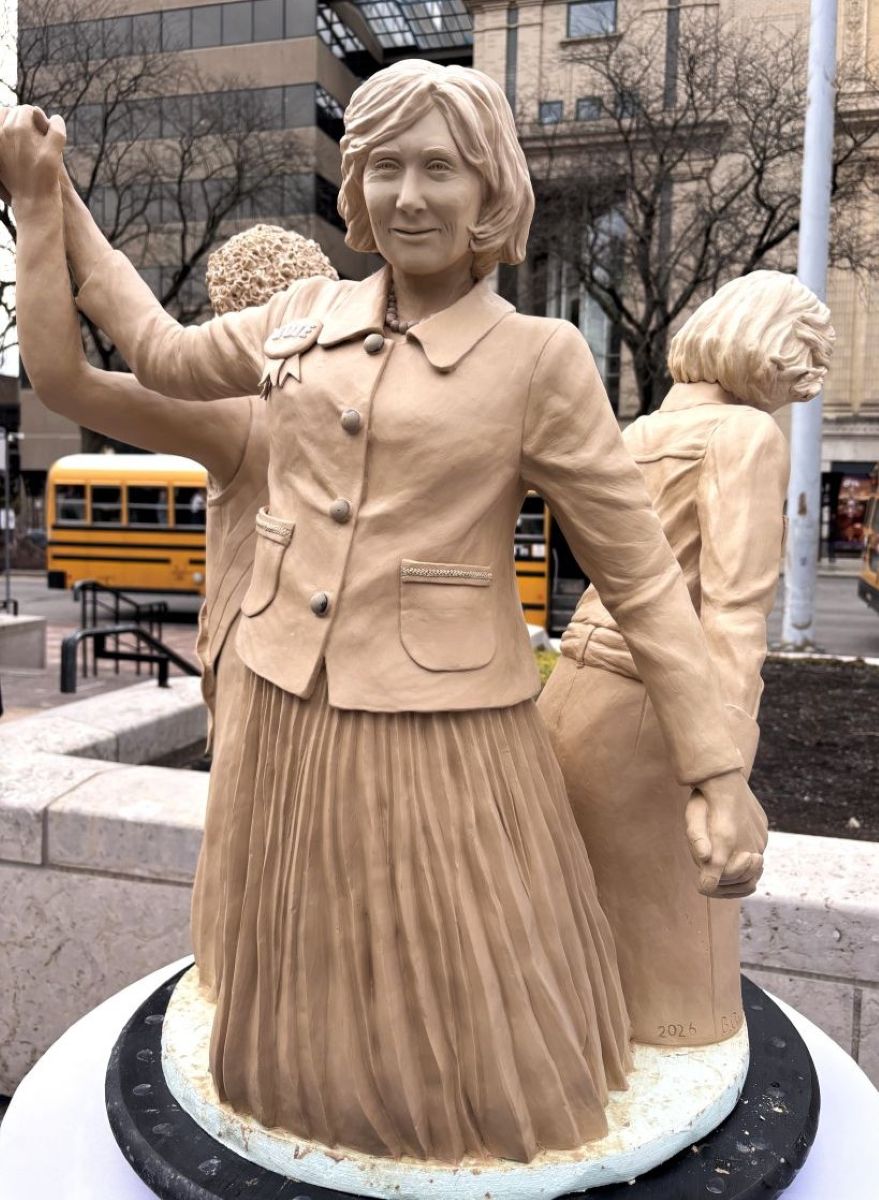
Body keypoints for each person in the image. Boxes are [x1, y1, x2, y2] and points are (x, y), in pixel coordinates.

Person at [0, 64, 766, 1165]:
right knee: (302, 966)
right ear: (354, 183)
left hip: (444, 727)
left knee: (471, 993)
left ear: (490, 189)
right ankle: (303, 1121)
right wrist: (45, 198)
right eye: (386, 166)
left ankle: (457, 1146)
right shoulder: (296, 319)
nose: (410, 196)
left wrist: (719, 773)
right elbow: (134, 351)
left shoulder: (539, 360)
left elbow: (641, 575)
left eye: (441, 169)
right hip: (283, 701)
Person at [9, 144, 338, 989]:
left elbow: (62, 378)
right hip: (346, 670)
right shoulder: (353, 401)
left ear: (232, 324)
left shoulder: (240, 417)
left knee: (249, 866)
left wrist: (39, 206)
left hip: (257, 662)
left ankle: (246, 1001)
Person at [540, 271, 834, 1046]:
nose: (803, 383)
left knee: (585, 905)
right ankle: (671, 1071)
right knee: (682, 952)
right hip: (648, 703)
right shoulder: (742, 436)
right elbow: (733, 611)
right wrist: (725, 773)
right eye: (801, 358)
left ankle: (584, 1054)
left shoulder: (634, 434)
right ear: (765, 345)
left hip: (568, 686)